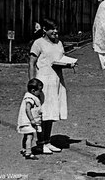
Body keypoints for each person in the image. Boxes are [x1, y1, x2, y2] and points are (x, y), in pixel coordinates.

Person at [29, 18, 72, 154]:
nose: (55, 31)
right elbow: (31, 63)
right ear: (44, 30)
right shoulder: (38, 43)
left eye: (56, 28)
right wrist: (32, 83)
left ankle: (47, 141)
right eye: (52, 29)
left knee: (51, 113)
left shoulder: (59, 43)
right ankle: (40, 143)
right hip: (43, 81)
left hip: (56, 81)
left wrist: (69, 64)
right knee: (42, 114)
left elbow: (61, 59)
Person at [17, 78, 44, 160]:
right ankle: (28, 152)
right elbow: (27, 109)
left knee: (26, 135)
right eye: (39, 90)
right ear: (33, 90)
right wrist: (32, 119)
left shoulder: (29, 95)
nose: (40, 92)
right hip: (28, 121)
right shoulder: (30, 98)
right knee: (30, 136)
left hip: (25, 121)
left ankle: (24, 148)